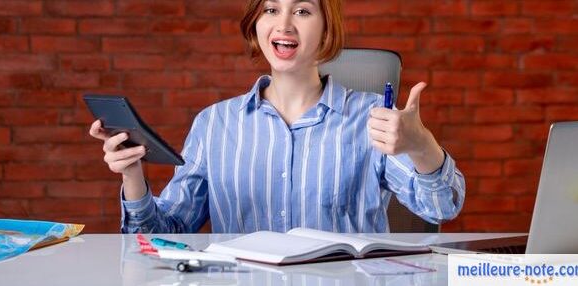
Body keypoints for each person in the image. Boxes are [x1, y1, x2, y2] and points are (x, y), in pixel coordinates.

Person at [89, 0, 465, 234]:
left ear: (326, 28)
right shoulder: (215, 124)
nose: (284, 24)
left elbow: (442, 207)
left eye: (302, 11)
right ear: (256, 22)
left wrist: (421, 145)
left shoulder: (372, 118)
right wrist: (132, 175)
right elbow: (162, 233)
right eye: (271, 9)